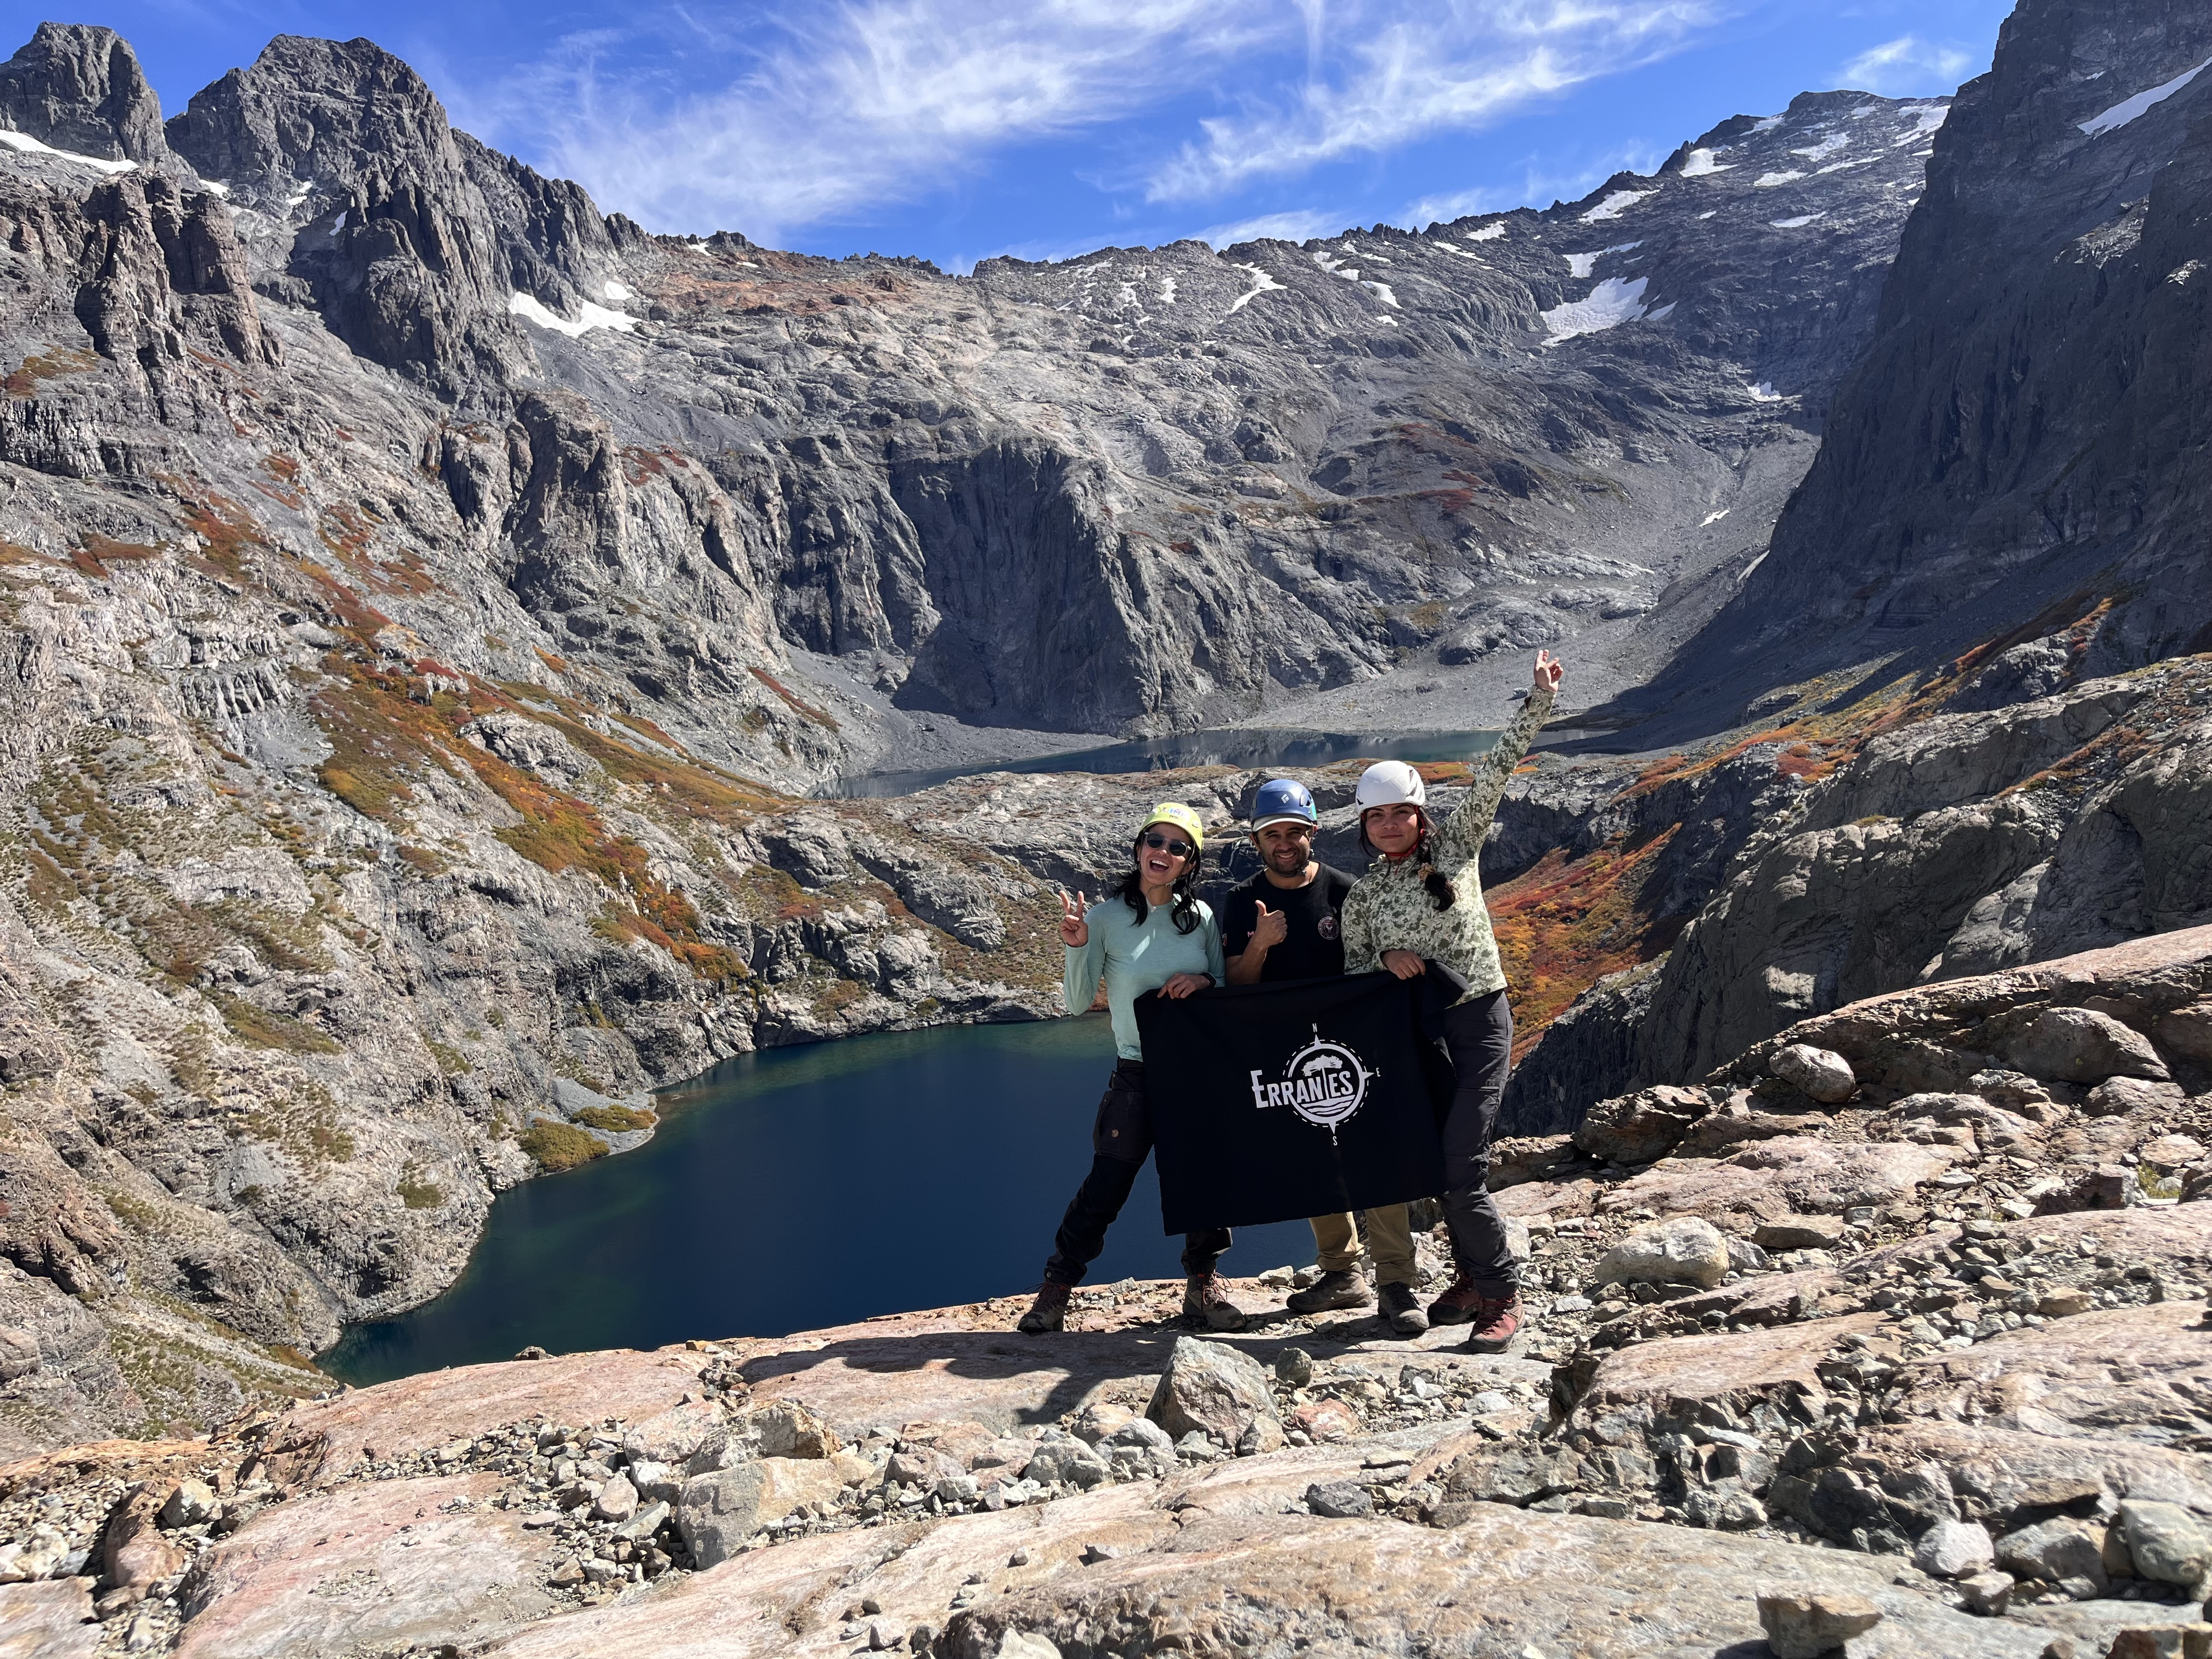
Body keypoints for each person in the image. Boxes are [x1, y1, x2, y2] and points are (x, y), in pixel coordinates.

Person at [1339, 648, 1564, 1353]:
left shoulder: (1457, 846)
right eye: (1377, 818)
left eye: (1401, 814)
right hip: (1420, 1033)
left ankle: (1500, 1295)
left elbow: (1496, 771)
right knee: (1440, 1165)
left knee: (1461, 1167)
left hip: (1478, 1019)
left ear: (1420, 815)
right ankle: (1472, 1277)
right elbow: (1352, 968)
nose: (1390, 826)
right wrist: (1383, 957)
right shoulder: (1367, 893)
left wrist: (1539, 700)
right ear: (1364, 824)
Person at [1018, 803, 1248, 1335]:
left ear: (1190, 862)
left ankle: (1203, 1284)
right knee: (1108, 1183)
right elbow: (1077, 1003)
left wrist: (1205, 983)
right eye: (1154, 841)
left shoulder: (1203, 919)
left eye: (1176, 847)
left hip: (1194, 1073)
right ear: (1139, 847)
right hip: (1138, 1072)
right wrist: (1077, 948)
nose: (1162, 853)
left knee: (1202, 1181)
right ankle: (1056, 1289)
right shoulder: (1103, 918)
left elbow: (1221, 983)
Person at [1221, 778, 1426, 1338]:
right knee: (1312, 1160)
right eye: (1272, 835)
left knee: (1376, 1159)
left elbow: (1371, 963)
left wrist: (1389, 953)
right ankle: (1341, 1274)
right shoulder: (1241, 902)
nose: (1284, 843)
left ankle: (1396, 1281)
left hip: (1354, 1048)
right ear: (1256, 840)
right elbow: (1236, 983)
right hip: (1286, 1057)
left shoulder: (1347, 891)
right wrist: (1261, 942)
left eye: (1294, 832)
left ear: (1313, 832)